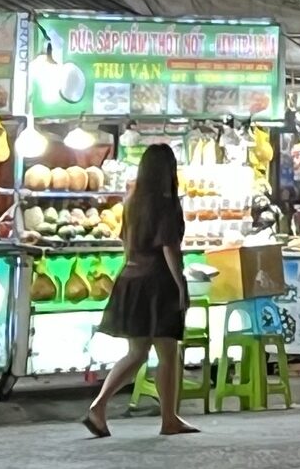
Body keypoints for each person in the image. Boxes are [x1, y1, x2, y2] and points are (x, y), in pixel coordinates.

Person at [82, 145, 197, 438]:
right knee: (168, 353)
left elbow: (126, 243)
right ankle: (169, 419)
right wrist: (181, 285)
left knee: (137, 352)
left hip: (131, 277)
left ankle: (98, 406)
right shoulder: (166, 203)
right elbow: (170, 248)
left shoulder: (132, 201)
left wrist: (130, 269)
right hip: (158, 283)